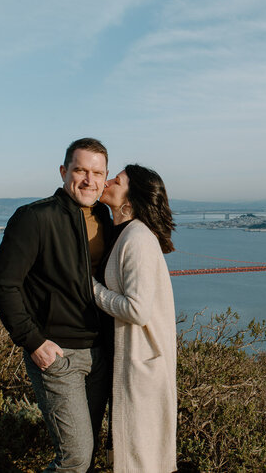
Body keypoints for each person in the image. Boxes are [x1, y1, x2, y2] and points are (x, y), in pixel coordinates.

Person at [0, 138, 114, 473]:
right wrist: (34, 342)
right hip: (58, 354)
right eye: (80, 170)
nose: (89, 180)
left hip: (99, 354)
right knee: (75, 459)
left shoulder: (105, 217)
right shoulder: (34, 217)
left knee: (87, 456)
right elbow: (2, 285)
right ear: (63, 171)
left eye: (97, 172)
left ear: (105, 177)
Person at [92, 164, 177, 473]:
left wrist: (91, 288)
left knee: (138, 459)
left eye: (118, 179)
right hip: (125, 364)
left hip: (140, 369)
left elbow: (137, 309)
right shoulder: (120, 233)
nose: (108, 181)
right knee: (127, 452)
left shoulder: (138, 238)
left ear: (129, 199)